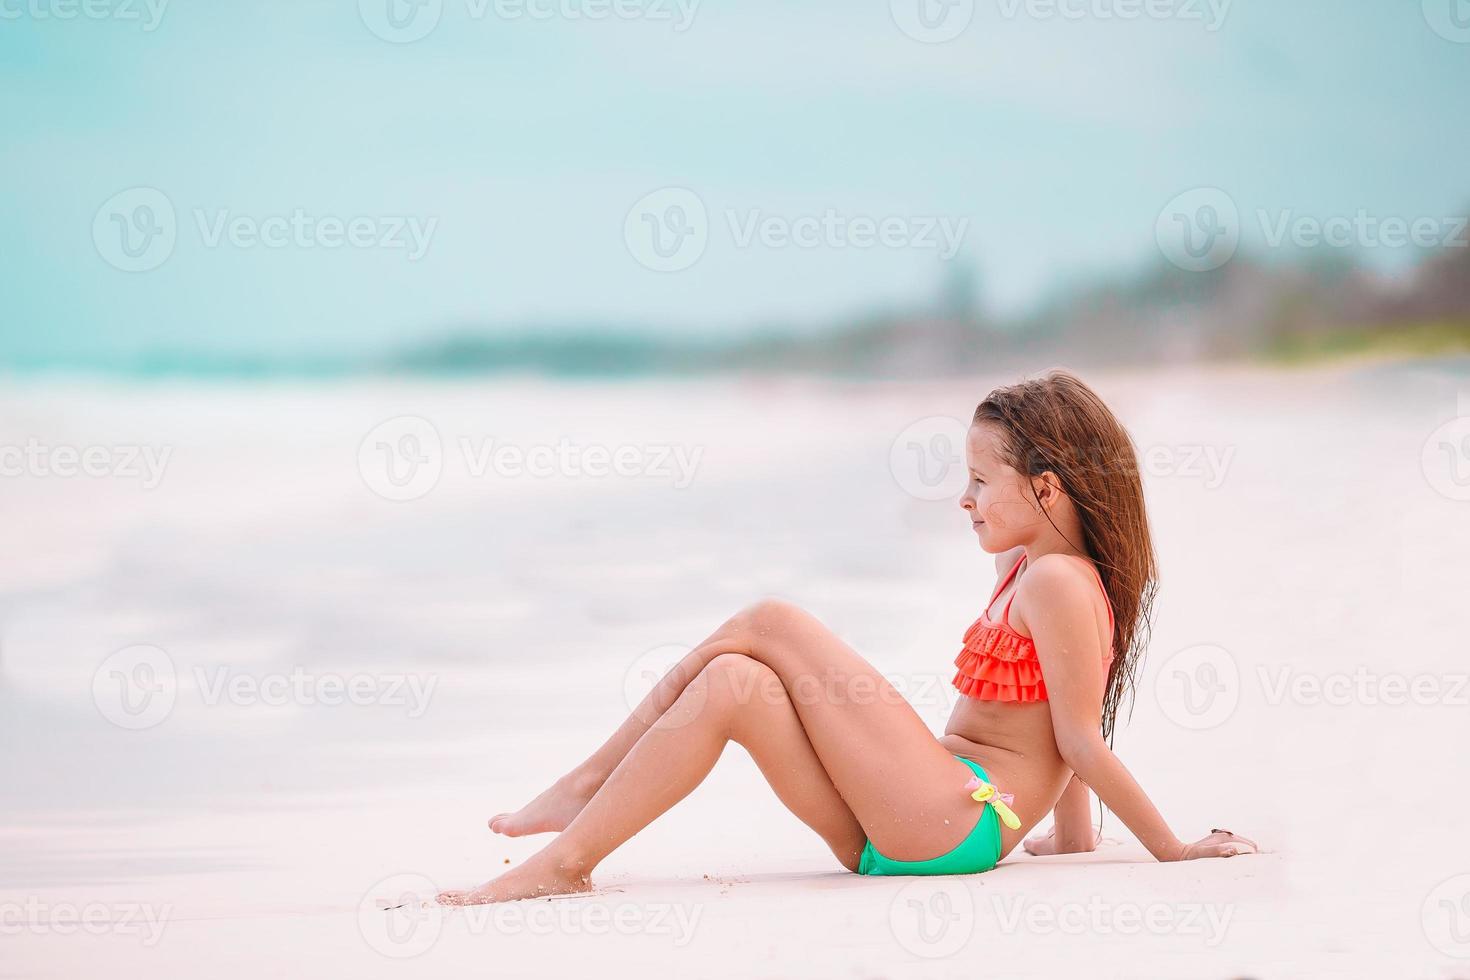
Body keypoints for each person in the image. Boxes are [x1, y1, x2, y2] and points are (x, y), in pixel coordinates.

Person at [437, 370, 1257, 905]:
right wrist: (1071, 842)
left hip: (952, 818)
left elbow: (1080, 737)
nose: (963, 499)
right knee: (734, 684)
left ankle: (586, 782)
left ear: (1046, 487)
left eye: (979, 480)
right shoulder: (1025, 568)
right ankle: (575, 857)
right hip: (910, 822)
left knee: (770, 622)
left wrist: (1172, 850)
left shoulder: (1054, 582)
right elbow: (1069, 713)